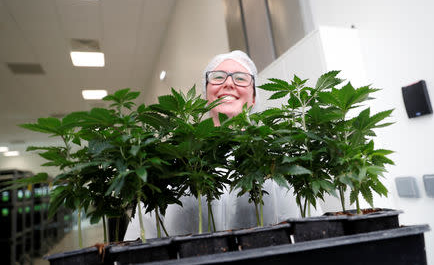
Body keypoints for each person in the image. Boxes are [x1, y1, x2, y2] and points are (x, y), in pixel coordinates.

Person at [124, 50, 320, 240]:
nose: (228, 83)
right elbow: (142, 233)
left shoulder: (278, 158)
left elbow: (311, 228)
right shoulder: (178, 160)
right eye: (218, 77)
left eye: (241, 78)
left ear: (253, 97)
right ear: (206, 91)